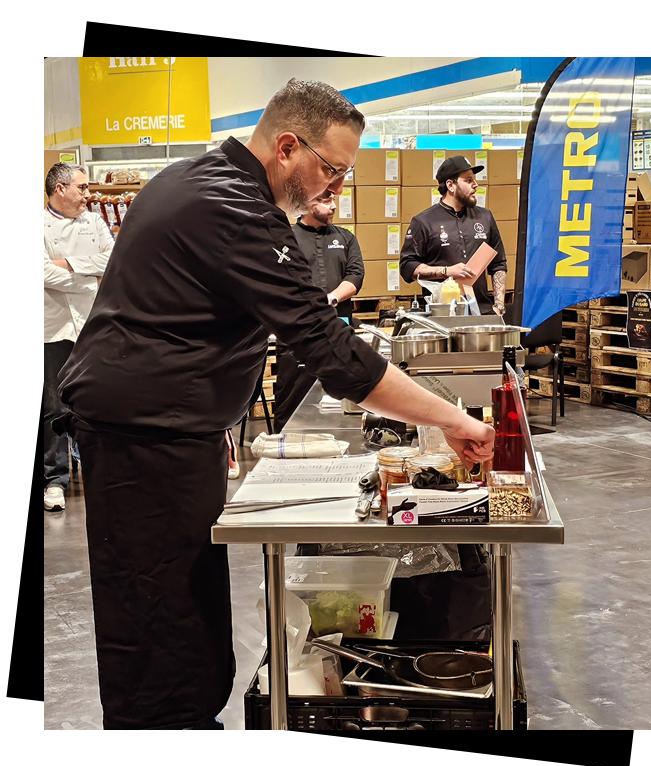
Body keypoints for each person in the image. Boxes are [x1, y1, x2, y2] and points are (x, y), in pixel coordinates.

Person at [56, 78, 495, 731]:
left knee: (188, 614)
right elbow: (326, 346)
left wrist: (214, 417)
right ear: (288, 146)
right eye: (333, 168)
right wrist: (455, 420)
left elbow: (175, 317)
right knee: (158, 633)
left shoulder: (198, 179)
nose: (336, 187)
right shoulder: (231, 206)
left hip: (171, 427)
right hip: (141, 437)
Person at [42, 163, 114, 511]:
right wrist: (89, 277)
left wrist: (68, 265)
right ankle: (55, 479)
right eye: (82, 188)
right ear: (60, 189)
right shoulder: (41, 225)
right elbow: (42, 272)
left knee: (96, 401)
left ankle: (97, 469)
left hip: (90, 325)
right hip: (52, 328)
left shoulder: (95, 221)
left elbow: (112, 257)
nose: (88, 195)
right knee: (53, 406)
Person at [273, 191, 365, 432]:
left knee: (343, 399)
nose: (333, 206)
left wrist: (331, 298)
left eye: (333, 200)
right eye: (325, 201)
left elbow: (355, 276)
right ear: (306, 204)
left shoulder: (346, 238)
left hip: (340, 331)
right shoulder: (286, 239)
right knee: (292, 399)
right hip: (296, 334)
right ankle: (284, 453)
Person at [399, 154, 509, 316]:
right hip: (442, 315)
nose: (475, 185)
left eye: (474, 180)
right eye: (468, 180)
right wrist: (446, 271)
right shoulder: (423, 222)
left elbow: (498, 264)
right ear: (451, 185)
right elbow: (407, 267)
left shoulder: (485, 217)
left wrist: (499, 306)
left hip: (483, 313)